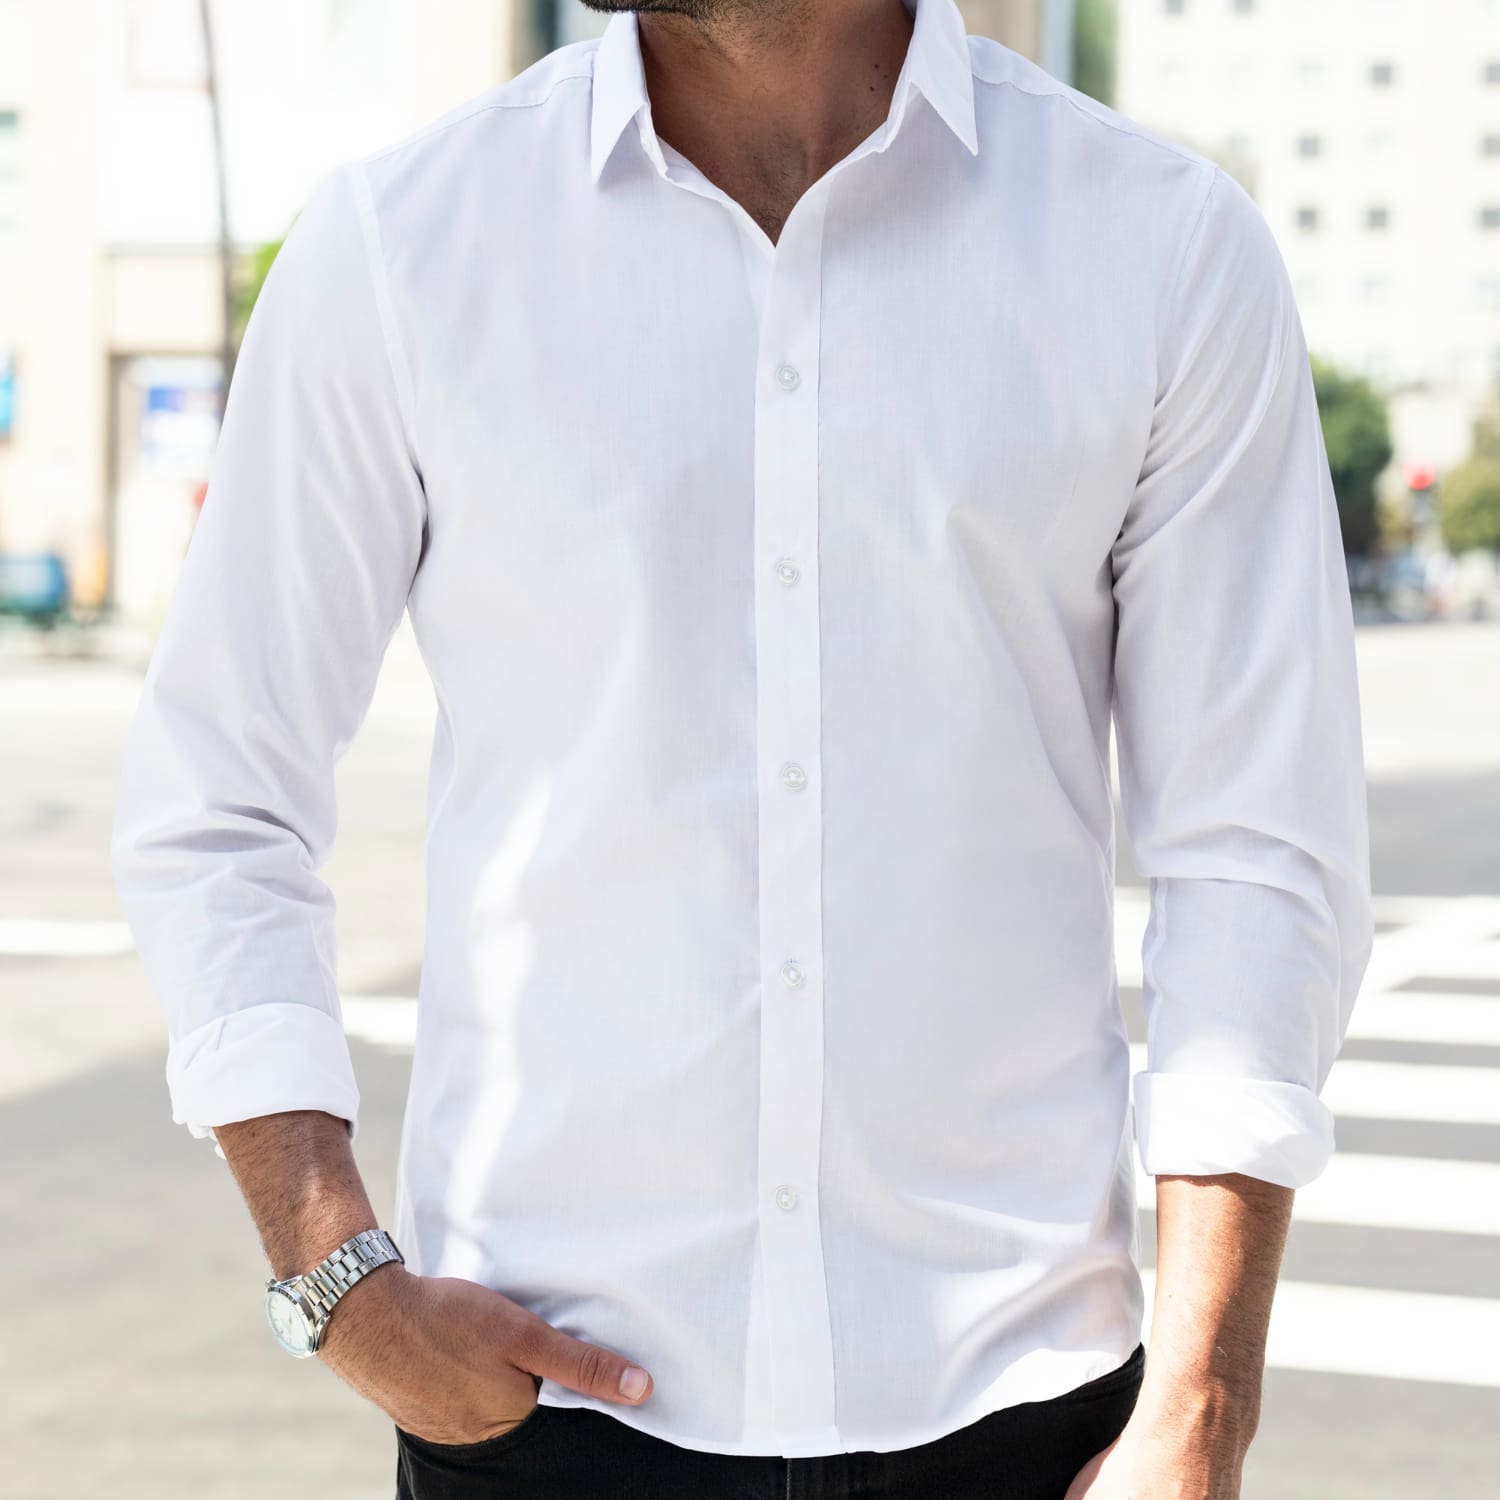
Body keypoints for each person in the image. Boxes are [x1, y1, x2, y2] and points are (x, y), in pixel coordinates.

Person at [108, 0, 1374, 1495]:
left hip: (1031, 1421)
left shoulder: (1161, 245)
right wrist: (338, 1283)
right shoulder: (401, 246)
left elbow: (1254, 840)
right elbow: (219, 795)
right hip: (538, 1422)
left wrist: (1203, 1406)